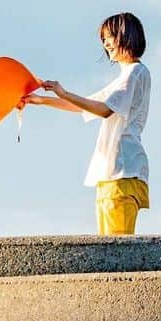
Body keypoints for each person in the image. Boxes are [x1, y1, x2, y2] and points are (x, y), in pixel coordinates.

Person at [23, 12, 151, 235]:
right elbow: (84, 105)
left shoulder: (135, 73)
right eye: (104, 39)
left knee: (115, 252)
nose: (106, 43)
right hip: (112, 174)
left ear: (126, 35)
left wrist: (63, 92)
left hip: (122, 172)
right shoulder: (125, 77)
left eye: (109, 36)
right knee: (108, 249)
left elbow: (103, 110)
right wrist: (40, 100)